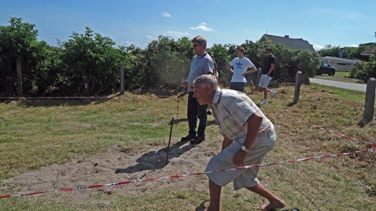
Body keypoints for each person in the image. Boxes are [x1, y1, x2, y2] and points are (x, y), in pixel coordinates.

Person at [192, 74, 285, 211]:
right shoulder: (215, 103)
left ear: (207, 89)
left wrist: (244, 150)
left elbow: (256, 119)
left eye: (195, 90)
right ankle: (276, 202)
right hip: (256, 138)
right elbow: (228, 135)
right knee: (245, 178)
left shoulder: (228, 99)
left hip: (260, 137)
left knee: (215, 165)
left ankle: (213, 209)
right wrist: (224, 154)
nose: (194, 95)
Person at [180, 35, 214, 145]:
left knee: (201, 114)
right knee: (191, 113)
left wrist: (199, 87)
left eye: (195, 45)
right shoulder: (194, 58)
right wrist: (187, 83)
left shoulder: (207, 59)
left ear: (203, 46)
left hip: (201, 93)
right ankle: (192, 133)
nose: (194, 48)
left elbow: (209, 77)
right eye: (193, 45)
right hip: (191, 90)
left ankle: (201, 135)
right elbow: (193, 73)